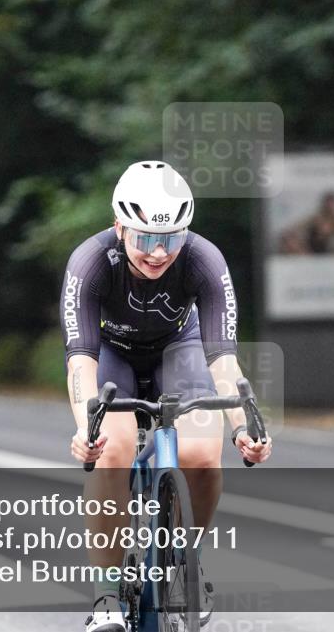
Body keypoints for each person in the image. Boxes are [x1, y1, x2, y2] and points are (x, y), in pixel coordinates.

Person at [60, 161, 273, 632]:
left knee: (201, 451)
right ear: (119, 227)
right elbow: (81, 360)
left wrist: (242, 429)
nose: (158, 253)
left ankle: (185, 563)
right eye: (144, 238)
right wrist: (85, 427)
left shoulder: (205, 260)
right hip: (112, 355)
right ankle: (107, 595)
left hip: (181, 351)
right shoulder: (90, 262)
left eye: (171, 238)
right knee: (111, 449)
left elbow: (222, 360)